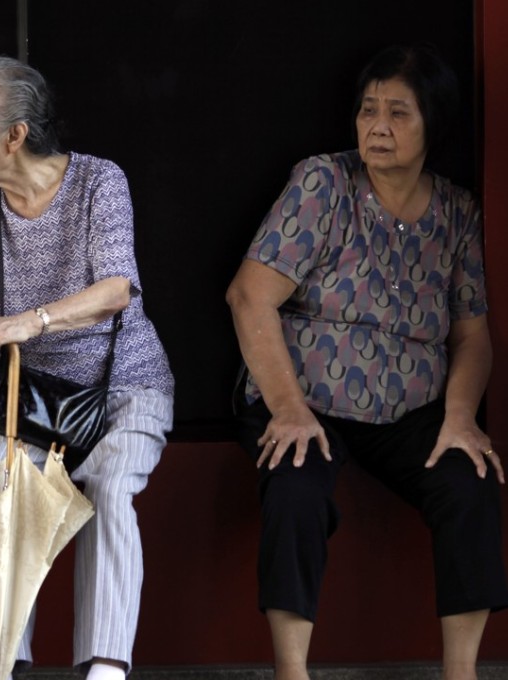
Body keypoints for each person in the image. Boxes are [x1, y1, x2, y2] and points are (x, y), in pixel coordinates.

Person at [226, 44, 507, 680]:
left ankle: (461, 673)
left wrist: (460, 417)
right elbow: (249, 296)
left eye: (398, 113)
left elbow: (472, 336)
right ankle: (291, 673)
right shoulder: (324, 183)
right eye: (368, 110)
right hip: (303, 393)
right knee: (296, 486)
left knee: (470, 485)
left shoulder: (457, 213)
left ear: (434, 123)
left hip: (406, 404)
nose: (377, 126)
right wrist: (290, 411)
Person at [0, 56, 174, 680]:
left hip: (122, 385)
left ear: (15, 134)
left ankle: (105, 671)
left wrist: (25, 322)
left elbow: (117, 289)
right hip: (22, 396)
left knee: (110, 489)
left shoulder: (97, 183)